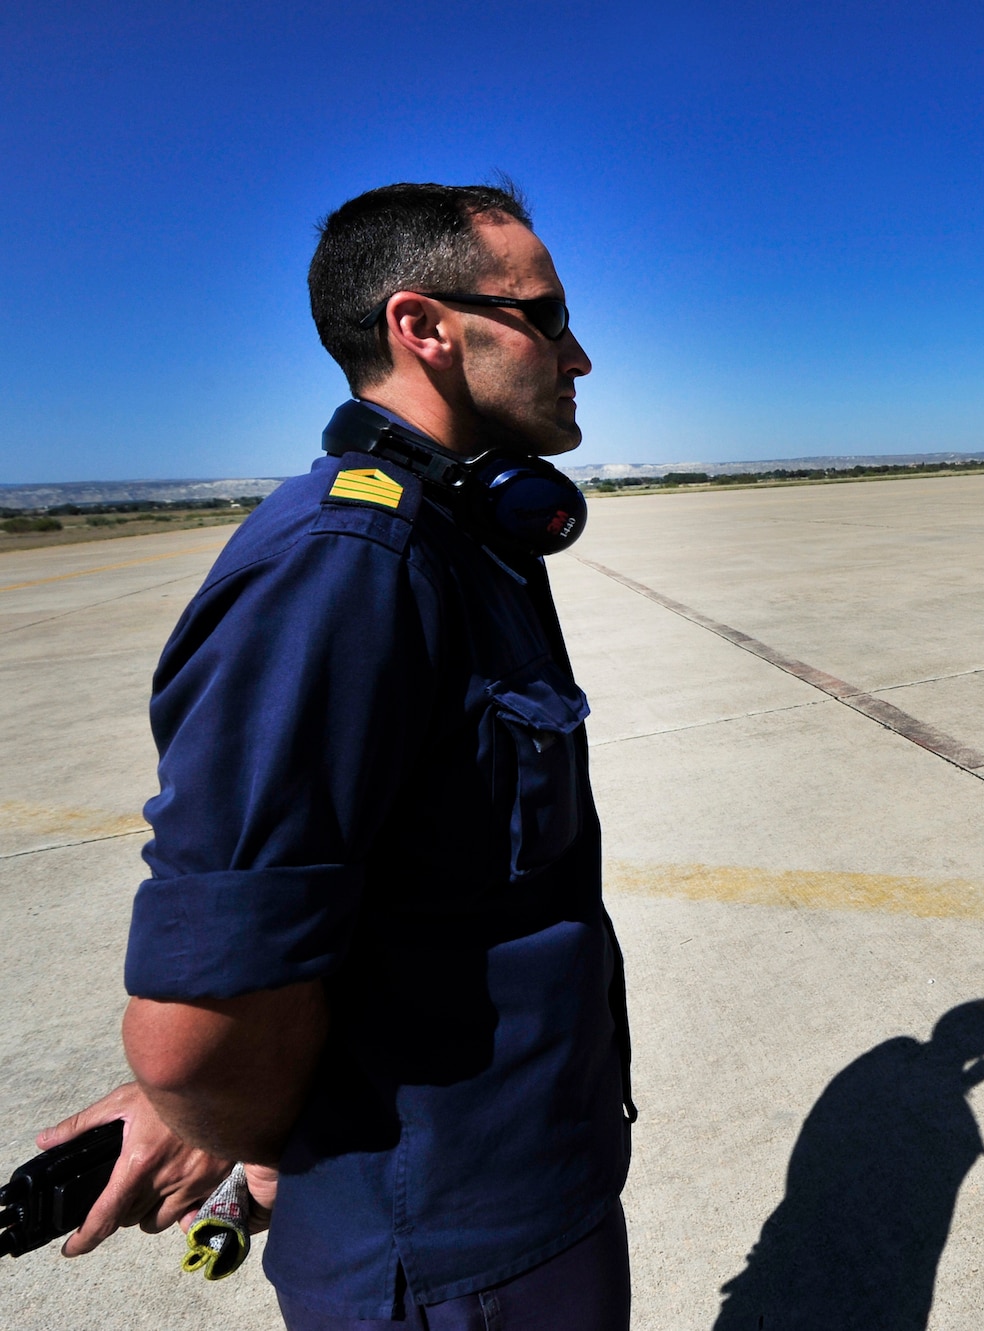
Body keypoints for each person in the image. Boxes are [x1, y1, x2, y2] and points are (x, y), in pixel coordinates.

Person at [36, 181, 636, 1329]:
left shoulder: (470, 545)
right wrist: (247, 1130)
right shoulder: (349, 567)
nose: (580, 355)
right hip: (441, 1249)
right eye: (547, 316)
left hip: (523, 1195)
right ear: (424, 327)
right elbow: (197, 1022)